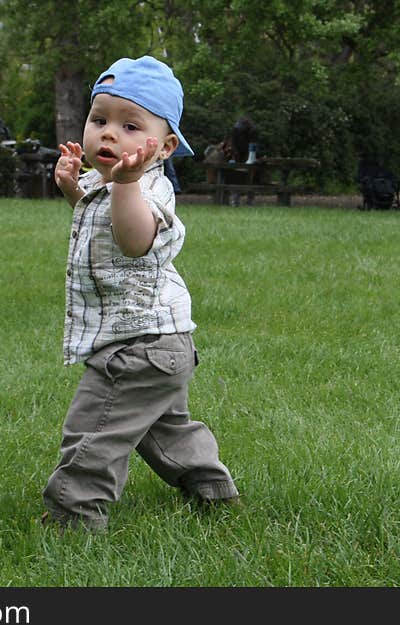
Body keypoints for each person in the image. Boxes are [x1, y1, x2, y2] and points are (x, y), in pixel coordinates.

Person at [44, 55, 240, 531]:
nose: (108, 134)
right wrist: (73, 189)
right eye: (99, 120)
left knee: (94, 429)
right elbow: (100, 219)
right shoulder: (106, 183)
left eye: (130, 125)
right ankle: (211, 488)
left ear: (165, 146)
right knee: (162, 426)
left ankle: (74, 515)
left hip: (139, 346)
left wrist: (126, 184)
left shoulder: (148, 190)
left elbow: (133, 240)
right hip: (161, 342)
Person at [221, 116, 259, 206]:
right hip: (237, 154)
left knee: (251, 178)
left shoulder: (253, 131)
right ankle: (235, 199)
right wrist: (235, 156)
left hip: (250, 153)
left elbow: (254, 145)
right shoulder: (235, 130)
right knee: (235, 176)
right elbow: (233, 143)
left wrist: (250, 158)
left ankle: (250, 200)